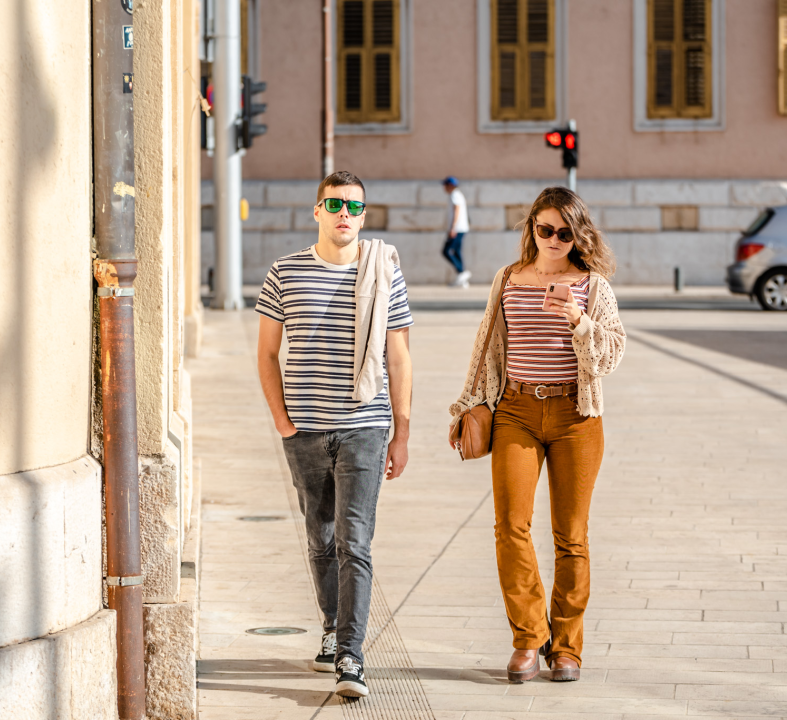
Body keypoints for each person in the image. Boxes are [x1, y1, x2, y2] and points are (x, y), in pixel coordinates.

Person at [448, 186, 625, 683]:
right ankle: (529, 638)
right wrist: (468, 403)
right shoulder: (507, 279)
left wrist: (579, 321)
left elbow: (610, 356)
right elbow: (485, 345)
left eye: (564, 233)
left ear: (577, 235)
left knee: (571, 536)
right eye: (544, 229)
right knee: (511, 526)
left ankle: (566, 647)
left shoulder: (593, 287)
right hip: (516, 411)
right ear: (531, 229)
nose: (553, 239)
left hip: (576, 416)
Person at [256, 170, 414, 698]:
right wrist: (282, 420)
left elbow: (399, 355)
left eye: (354, 207)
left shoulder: (383, 271)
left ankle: (351, 653)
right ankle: (330, 630)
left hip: (364, 428)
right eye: (335, 205)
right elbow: (266, 354)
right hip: (303, 430)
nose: (345, 214)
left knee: (354, 540)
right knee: (320, 538)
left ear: (363, 215)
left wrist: (402, 431)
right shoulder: (285, 273)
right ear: (317, 211)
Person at [442, 176, 471, 288]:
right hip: (461, 228)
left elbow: (457, 210)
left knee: (446, 251)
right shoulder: (457, 195)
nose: (444, 188)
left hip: (457, 229)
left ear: (450, 185)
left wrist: (453, 228)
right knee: (457, 251)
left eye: (445, 185)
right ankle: (463, 280)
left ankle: (462, 272)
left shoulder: (455, 195)